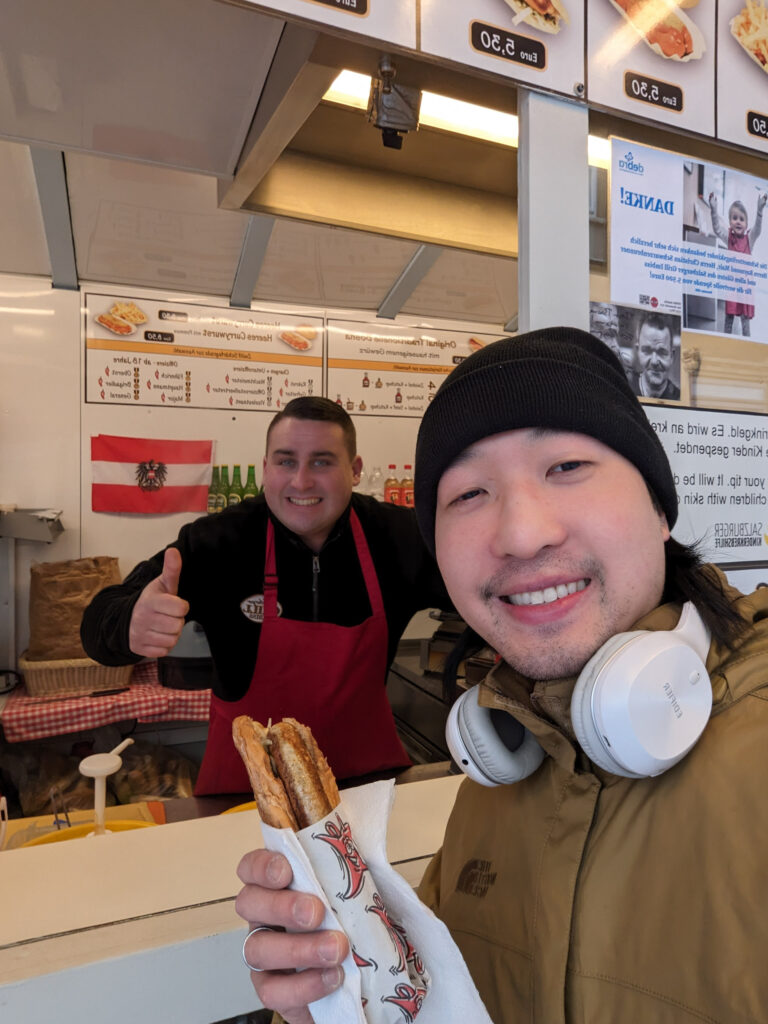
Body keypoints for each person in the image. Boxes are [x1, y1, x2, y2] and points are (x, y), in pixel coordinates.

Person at [234, 328, 768, 1024]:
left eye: (568, 465)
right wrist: (339, 1005)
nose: (522, 533)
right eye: (469, 493)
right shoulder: (501, 777)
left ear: (660, 506)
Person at [81, 396, 449, 795]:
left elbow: (479, 593)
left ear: (355, 469)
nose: (301, 481)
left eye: (322, 461)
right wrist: (128, 624)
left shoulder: (400, 537)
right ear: (265, 467)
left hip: (364, 790)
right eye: (286, 461)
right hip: (247, 794)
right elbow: (97, 623)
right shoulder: (216, 543)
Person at [708, 190, 767, 336]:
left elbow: (758, 229)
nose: (738, 221)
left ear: (746, 224)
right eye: (734, 218)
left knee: (745, 319)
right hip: (732, 286)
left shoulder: (749, 238)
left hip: (745, 286)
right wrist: (714, 210)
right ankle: (725, 339)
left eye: (741, 219)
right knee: (729, 317)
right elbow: (716, 229)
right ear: (730, 222)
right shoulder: (728, 238)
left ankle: (747, 341)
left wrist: (760, 210)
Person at [629, 311, 680, 399]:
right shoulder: (625, 391)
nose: (654, 361)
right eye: (647, 351)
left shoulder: (678, 398)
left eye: (662, 352)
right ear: (638, 351)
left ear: (672, 356)